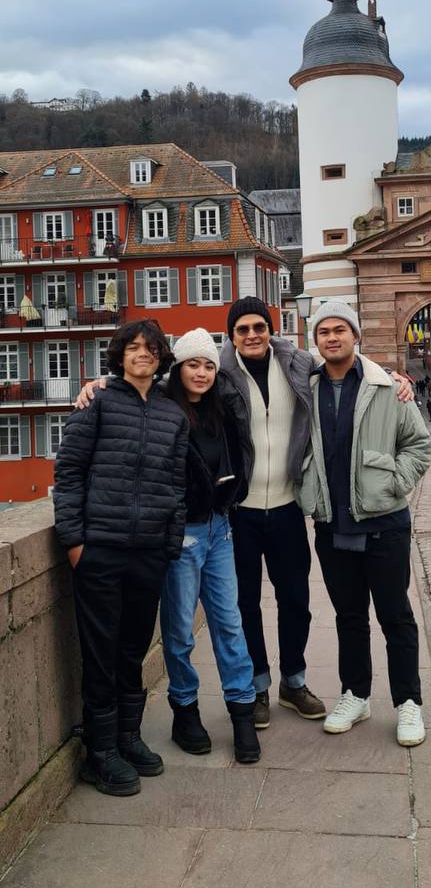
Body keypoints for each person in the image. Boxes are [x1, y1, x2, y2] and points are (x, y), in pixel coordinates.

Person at [221, 297, 415, 730]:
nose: (252, 335)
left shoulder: (298, 365)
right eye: (242, 329)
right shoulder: (218, 374)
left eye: (259, 327)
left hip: (290, 506)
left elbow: (351, 368)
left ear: (272, 330)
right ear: (231, 335)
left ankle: (294, 681)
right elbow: (173, 384)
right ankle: (257, 687)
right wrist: (101, 384)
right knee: (245, 604)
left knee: (297, 601)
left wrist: (396, 378)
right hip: (241, 511)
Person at [53, 321, 189, 797]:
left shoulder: (173, 415)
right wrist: (75, 543)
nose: (142, 355)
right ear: (119, 356)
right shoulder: (99, 403)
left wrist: (169, 545)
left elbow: (176, 486)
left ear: (160, 357)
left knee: (132, 648)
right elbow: (68, 473)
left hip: (149, 551)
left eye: (150, 349)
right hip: (101, 549)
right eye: (133, 348)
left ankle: (127, 738)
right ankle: (100, 752)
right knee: (101, 652)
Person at [297, 301, 431, 747]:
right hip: (331, 523)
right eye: (323, 332)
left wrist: (396, 482)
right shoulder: (307, 389)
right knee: (349, 616)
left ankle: (408, 703)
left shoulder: (386, 386)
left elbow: (418, 445)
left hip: (384, 522)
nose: (332, 338)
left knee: (396, 616)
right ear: (315, 342)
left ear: (356, 336)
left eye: (340, 330)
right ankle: (356, 694)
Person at [160, 328, 260, 765]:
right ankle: (185, 711)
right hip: (182, 533)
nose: (201, 373)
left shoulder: (223, 407)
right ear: (178, 367)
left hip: (219, 527)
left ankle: (241, 711)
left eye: (207, 365)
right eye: (192, 364)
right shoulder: (162, 409)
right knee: (180, 630)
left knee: (229, 624)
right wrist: (98, 383)